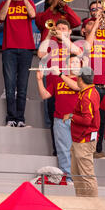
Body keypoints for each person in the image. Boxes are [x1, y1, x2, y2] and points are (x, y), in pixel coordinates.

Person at [38, 19, 82, 154]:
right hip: (53, 85)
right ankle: (57, 150)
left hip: (70, 86)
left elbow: (79, 53)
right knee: (54, 119)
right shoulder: (51, 44)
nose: (60, 30)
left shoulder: (72, 46)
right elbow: (40, 54)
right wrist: (48, 36)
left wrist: (63, 37)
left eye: (64, 28)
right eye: (58, 28)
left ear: (69, 32)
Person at [35, 54, 81, 184]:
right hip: (60, 120)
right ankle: (68, 178)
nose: (76, 64)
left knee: (78, 151)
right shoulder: (57, 80)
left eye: (78, 62)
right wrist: (39, 80)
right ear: (67, 65)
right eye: (73, 62)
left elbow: (77, 87)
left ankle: (79, 178)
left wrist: (60, 74)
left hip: (78, 120)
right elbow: (45, 95)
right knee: (63, 150)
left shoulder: (83, 78)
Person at [81, 8, 105, 159]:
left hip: (104, 85)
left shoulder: (103, 41)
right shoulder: (83, 42)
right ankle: (88, 147)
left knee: (101, 120)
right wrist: (97, 23)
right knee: (89, 119)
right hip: (92, 85)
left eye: (93, 22)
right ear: (84, 29)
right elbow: (88, 46)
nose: (93, 24)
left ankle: (97, 149)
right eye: (89, 23)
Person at [0, 0, 36, 127]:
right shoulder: (5, 2)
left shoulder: (29, 2)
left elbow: (32, 14)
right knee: (9, 85)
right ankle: (11, 118)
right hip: (9, 48)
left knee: (22, 86)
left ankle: (20, 119)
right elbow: (2, 17)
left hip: (26, 48)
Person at [64, 67, 100, 197]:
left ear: (80, 79)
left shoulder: (87, 96)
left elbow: (87, 120)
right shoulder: (90, 91)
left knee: (86, 175)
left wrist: (71, 116)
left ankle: (92, 204)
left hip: (84, 139)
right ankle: (81, 201)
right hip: (80, 139)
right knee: (77, 173)